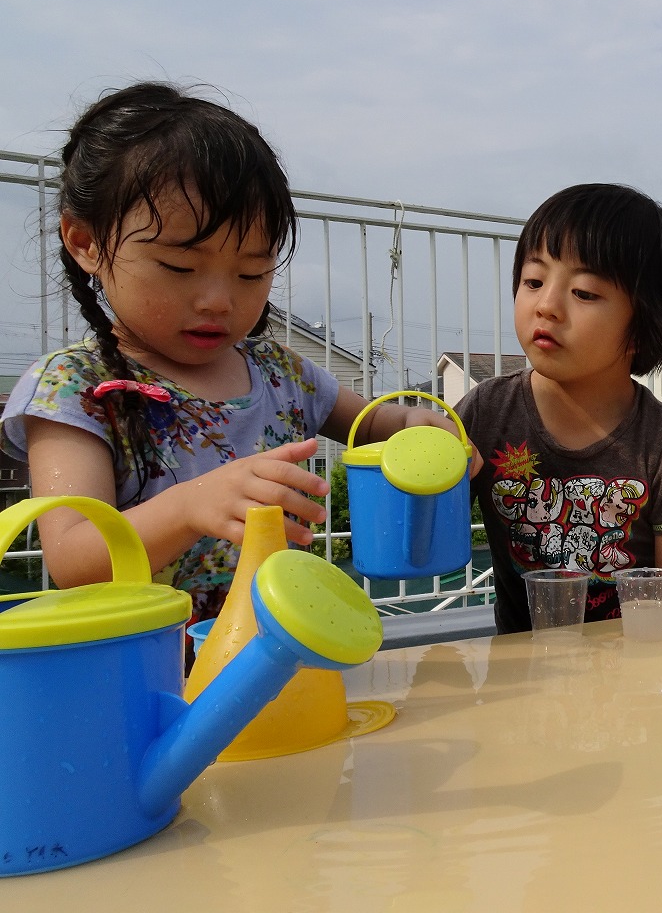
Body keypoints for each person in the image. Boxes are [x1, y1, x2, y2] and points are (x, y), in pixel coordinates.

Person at [0, 81, 466, 627]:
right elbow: (73, 559)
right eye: (179, 267)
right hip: (151, 664)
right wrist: (189, 506)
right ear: (86, 243)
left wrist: (422, 428)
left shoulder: (280, 373)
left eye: (251, 272)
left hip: (280, 651)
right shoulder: (75, 387)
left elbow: (379, 426)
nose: (218, 301)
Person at [456, 183, 662, 634]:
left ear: (643, 329)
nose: (546, 306)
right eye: (534, 281)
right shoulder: (487, 413)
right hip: (524, 666)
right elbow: (425, 525)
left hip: (633, 663)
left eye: (583, 292)